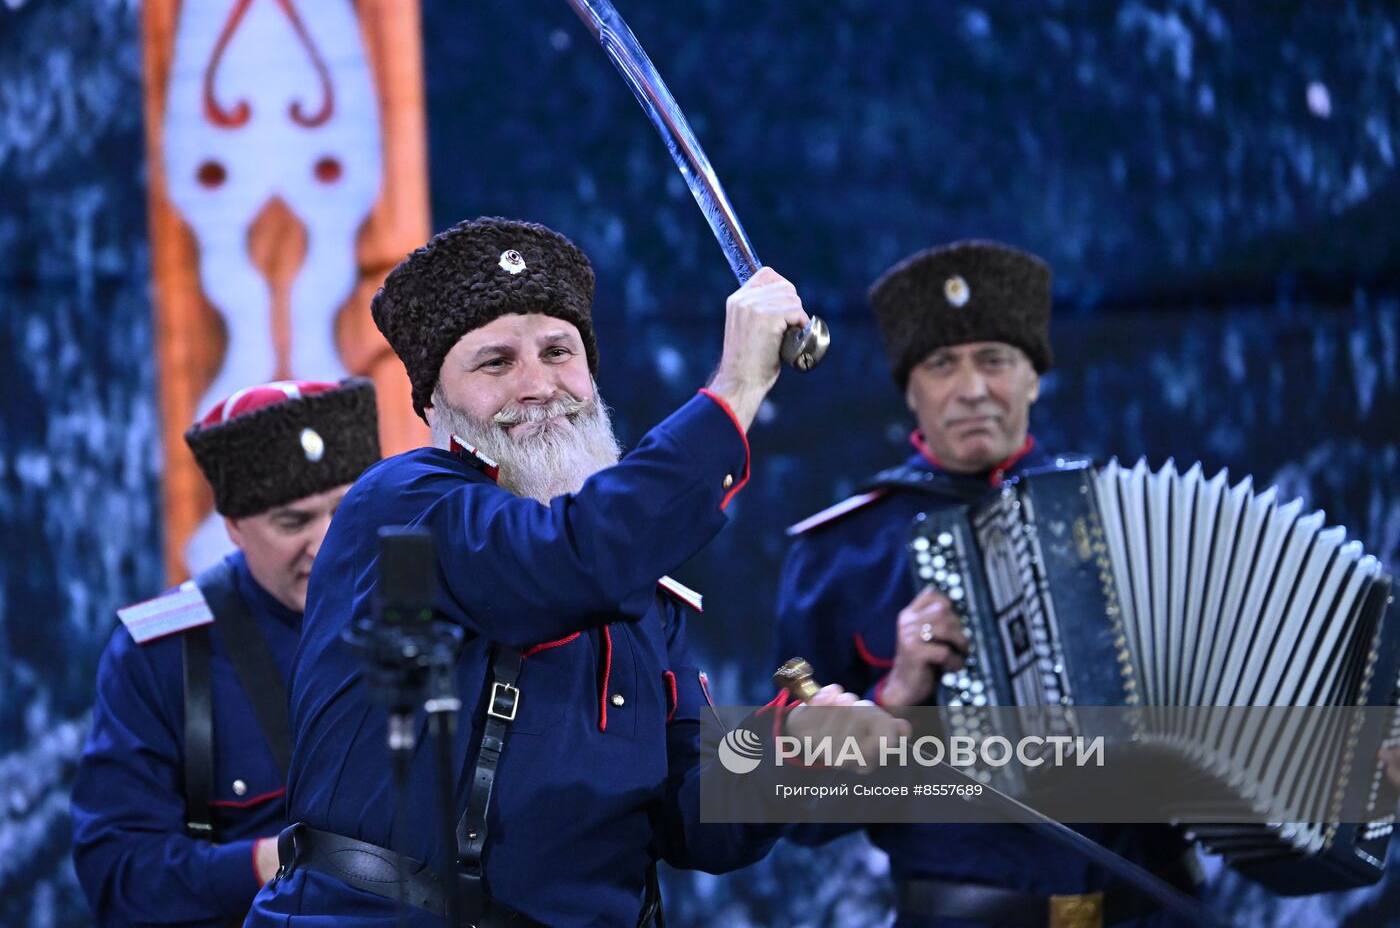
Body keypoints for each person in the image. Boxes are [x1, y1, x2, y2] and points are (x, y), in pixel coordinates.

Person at [246, 216, 903, 927]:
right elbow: (572, 558)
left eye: (558, 352)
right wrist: (737, 386)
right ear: (434, 403)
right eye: (495, 363)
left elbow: (694, 816)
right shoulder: (404, 507)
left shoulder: (641, 590)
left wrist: (787, 755)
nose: (537, 386)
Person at [774, 240, 1196, 926]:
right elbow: (787, 806)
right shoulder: (837, 556)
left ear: (1034, 376)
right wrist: (898, 694)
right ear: (909, 388)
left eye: (995, 360)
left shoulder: (1134, 518)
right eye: (942, 365)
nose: (972, 388)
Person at [71, 378, 382, 926]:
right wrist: (268, 861)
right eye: (293, 521)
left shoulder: (434, 606)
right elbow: (118, 876)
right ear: (234, 527)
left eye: (347, 509)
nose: (328, 542)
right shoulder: (160, 651)